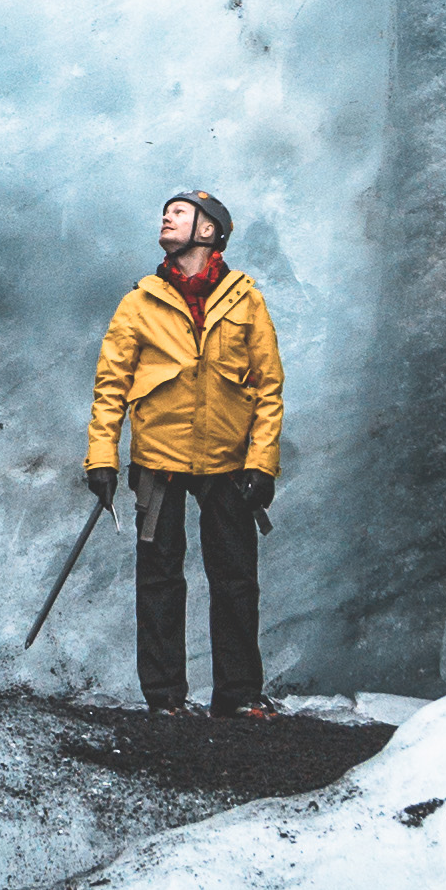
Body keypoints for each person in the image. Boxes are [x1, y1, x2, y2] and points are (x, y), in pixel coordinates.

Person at [82, 189, 283, 716]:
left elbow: (267, 388)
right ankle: (166, 699)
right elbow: (111, 386)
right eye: (166, 210)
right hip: (159, 460)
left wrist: (262, 463)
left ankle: (238, 697)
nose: (167, 216)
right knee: (160, 579)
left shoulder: (246, 300)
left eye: (181, 212)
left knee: (236, 580)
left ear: (210, 231)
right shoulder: (140, 301)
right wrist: (101, 456)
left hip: (229, 462)